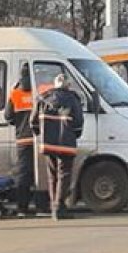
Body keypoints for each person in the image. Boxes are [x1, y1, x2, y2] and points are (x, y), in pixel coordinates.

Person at [32, 72, 84, 220]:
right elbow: (78, 123)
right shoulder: (73, 99)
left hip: (48, 143)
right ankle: (60, 207)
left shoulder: (43, 98)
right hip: (66, 143)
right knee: (64, 175)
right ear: (67, 85)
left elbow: (33, 121)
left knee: (52, 175)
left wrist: (40, 134)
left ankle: (54, 205)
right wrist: (74, 135)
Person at [4, 63, 36, 217]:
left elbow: (8, 117)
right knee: (40, 173)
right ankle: (42, 204)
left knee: (23, 174)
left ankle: (22, 207)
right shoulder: (38, 92)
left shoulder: (15, 94)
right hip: (39, 139)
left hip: (22, 139)